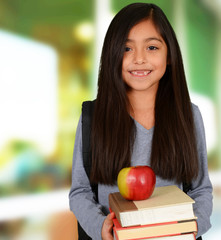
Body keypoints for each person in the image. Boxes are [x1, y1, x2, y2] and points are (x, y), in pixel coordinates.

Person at [69, 3, 213, 240]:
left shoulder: (188, 115)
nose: (139, 59)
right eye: (127, 48)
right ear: (112, 55)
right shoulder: (93, 118)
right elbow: (80, 192)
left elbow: (201, 189)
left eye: (152, 47)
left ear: (169, 57)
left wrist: (191, 228)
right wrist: (100, 229)